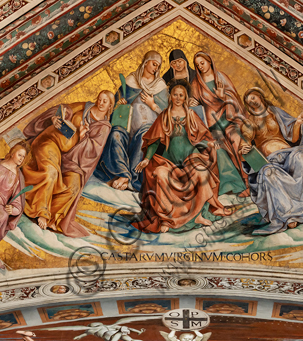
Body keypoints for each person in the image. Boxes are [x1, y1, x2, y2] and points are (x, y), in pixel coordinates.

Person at [133, 80, 233, 233]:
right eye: (175, 94)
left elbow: (204, 137)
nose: (178, 98)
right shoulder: (164, 116)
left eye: (181, 95)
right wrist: (147, 158)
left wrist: (211, 145)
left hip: (190, 161)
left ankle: (198, 215)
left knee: (202, 172)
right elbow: (153, 141)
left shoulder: (191, 115)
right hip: (168, 163)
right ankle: (166, 219)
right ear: (170, 96)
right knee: (159, 174)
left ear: (185, 98)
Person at [240, 88, 303, 234]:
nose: (251, 102)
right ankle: (289, 216)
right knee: (268, 174)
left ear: (260, 96)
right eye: (248, 102)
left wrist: (297, 123)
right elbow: (246, 140)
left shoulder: (275, 112)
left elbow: (293, 139)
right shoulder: (249, 122)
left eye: (253, 98)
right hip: (270, 161)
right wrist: (244, 146)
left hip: (289, 154)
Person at [23, 91, 114, 236]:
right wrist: (56, 118)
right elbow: (65, 109)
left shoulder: (104, 127)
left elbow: (94, 150)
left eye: (105, 101)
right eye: (99, 99)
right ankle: (41, 211)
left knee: (74, 186)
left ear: (110, 106)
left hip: (75, 159)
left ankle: (53, 218)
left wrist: (82, 137)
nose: (101, 103)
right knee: (51, 173)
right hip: (53, 143)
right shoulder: (85, 107)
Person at [94, 51, 169, 191]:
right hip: (126, 125)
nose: (156, 69)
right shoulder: (131, 80)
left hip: (148, 126)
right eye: (154, 64)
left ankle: (132, 178)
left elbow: (167, 114)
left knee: (144, 137)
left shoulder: (160, 85)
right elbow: (113, 104)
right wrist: (119, 103)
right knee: (115, 134)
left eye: (158, 66)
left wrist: (153, 105)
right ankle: (123, 173)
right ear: (146, 62)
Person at [189, 51, 248, 197]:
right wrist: (192, 102)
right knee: (221, 149)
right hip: (212, 123)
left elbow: (235, 98)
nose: (201, 67)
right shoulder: (196, 82)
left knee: (236, 141)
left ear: (209, 61)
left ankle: (248, 181)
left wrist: (224, 96)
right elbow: (194, 102)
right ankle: (234, 184)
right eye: (197, 65)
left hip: (228, 118)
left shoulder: (221, 77)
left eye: (202, 63)